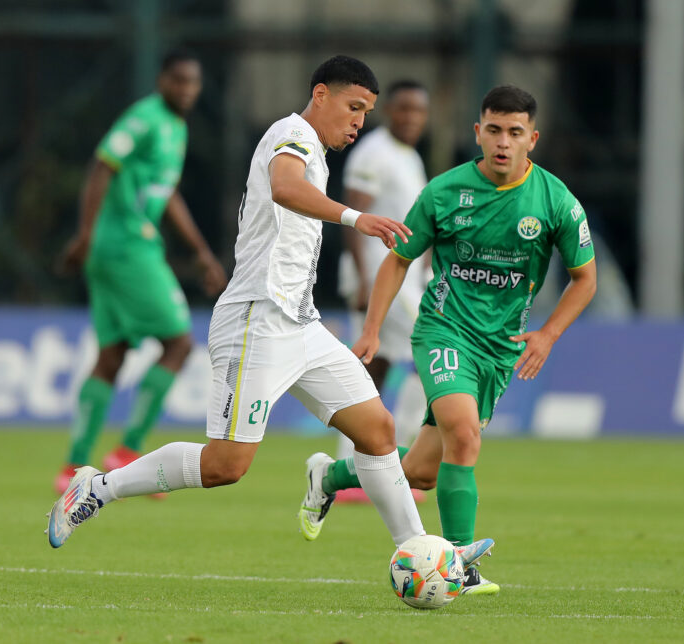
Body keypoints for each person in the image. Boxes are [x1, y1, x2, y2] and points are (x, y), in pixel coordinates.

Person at [45, 55, 495, 576]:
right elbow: (284, 186)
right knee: (225, 465)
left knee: (377, 430)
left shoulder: (315, 148)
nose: (358, 122)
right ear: (321, 94)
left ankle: (424, 556)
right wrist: (355, 217)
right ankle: (98, 488)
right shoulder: (293, 133)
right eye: (353, 107)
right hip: (256, 320)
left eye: (366, 113)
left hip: (300, 323)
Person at [307, 85, 597, 595]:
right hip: (444, 329)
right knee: (463, 434)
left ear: (532, 139)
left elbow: (585, 278)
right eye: (494, 130)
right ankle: (461, 565)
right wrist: (372, 328)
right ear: (477, 132)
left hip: (499, 349)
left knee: (421, 471)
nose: (503, 142)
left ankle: (330, 477)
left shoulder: (556, 201)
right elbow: (398, 260)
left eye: (514, 132)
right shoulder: (445, 192)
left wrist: (548, 334)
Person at [53, 49, 228, 496]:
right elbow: (102, 165)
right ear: (161, 80)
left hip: (118, 246)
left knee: (111, 354)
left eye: (193, 82)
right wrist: (85, 235)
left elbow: (166, 193)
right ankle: (127, 452)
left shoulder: (176, 126)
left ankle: (73, 465)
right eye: (178, 80)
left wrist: (200, 252)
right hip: (127, 245)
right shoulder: (145, 118)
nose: (186, 90)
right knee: (179, 342)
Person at [334, 79, 431, 504]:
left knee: (376, 368)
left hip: (405, 280)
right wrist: (361, 277)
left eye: (418, 110)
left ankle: (355, 469)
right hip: (380, 278)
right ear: (388, 110)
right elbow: (354, 216)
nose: (411, 117)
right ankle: (402, 468)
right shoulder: (373, 152)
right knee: (432, 357)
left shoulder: (409, 156)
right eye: (403, 108)